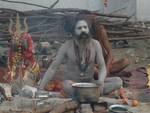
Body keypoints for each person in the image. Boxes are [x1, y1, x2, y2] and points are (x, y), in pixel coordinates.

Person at [39, 14, 122, 96]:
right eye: (79, 28)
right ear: (73, 31)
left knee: (118, 81)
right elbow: (53, 68)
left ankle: (86, 93)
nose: (83, 30)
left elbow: (102, 67)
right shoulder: (66, 46)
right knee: (66, 85)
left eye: (85, 27)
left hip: (90, 83)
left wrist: (101, 81)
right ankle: (92, 93)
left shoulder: (95, 44)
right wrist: (40, 88)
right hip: (73, 84)